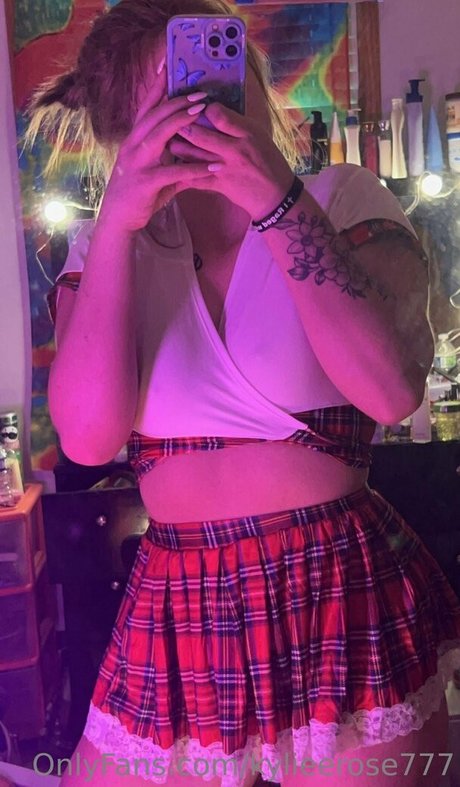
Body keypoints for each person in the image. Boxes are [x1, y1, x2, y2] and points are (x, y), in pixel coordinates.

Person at [27, 0, 460, 785]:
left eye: (208, 71)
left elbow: (392, 390)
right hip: (177, 603)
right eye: (165, 94)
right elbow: (88, 439)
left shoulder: (340, 196)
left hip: (338, 589)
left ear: (250, 76)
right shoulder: (107, 244)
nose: (196, 106)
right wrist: (118, 221)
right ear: (124, 124)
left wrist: (275, 199)